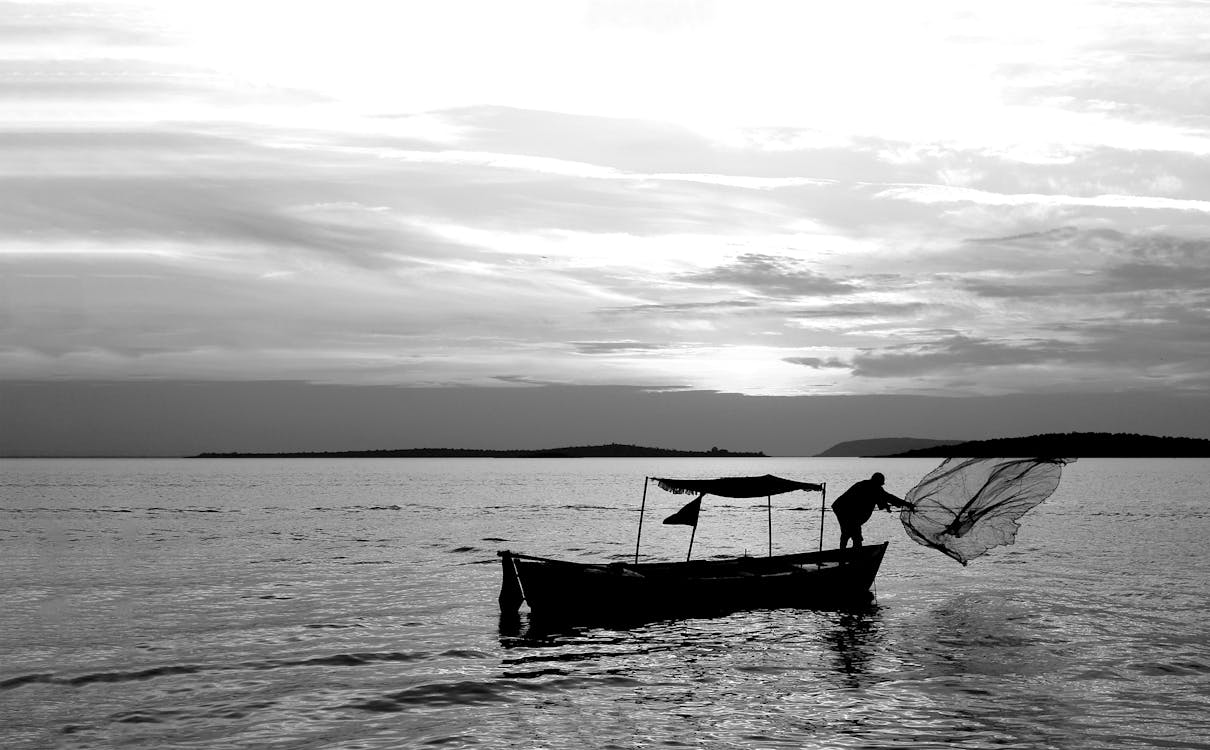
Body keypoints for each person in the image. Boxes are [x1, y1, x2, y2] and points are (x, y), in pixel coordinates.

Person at [831, 472, 912, 549]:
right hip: (844, 509)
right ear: (877, 482)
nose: (881, 486)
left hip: (844, 509)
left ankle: (846, 553)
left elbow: (883, 499)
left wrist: (888, 505)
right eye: (880, 484)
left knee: (848, 531)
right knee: (853, 533)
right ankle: (852, 554)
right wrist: (907, 504)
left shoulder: (871, 486)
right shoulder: (871, 487)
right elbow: (889, 497)